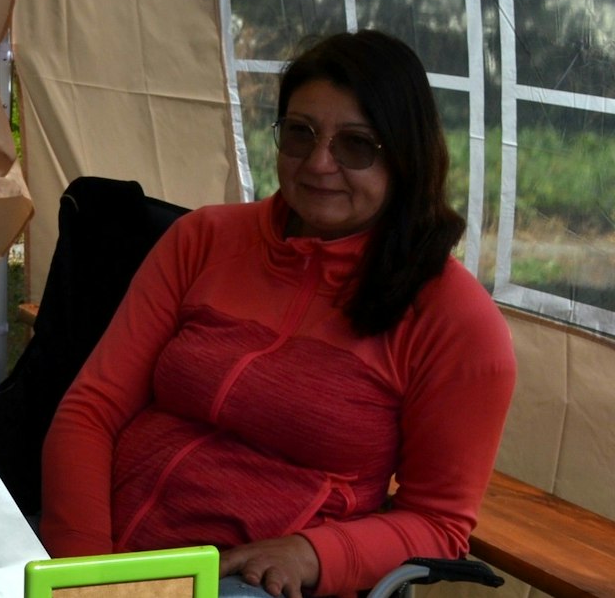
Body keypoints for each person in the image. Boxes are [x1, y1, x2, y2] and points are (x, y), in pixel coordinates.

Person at [41, 30, 516, 598]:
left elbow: (439, 524)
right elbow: (91, 410)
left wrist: (311, 553)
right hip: (104, 550)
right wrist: (84, 572)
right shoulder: (203, 239)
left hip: (250, 579)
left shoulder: (455, 321)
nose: (319, 163)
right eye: (300, 133)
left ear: (406, 156)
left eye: (356, 145)